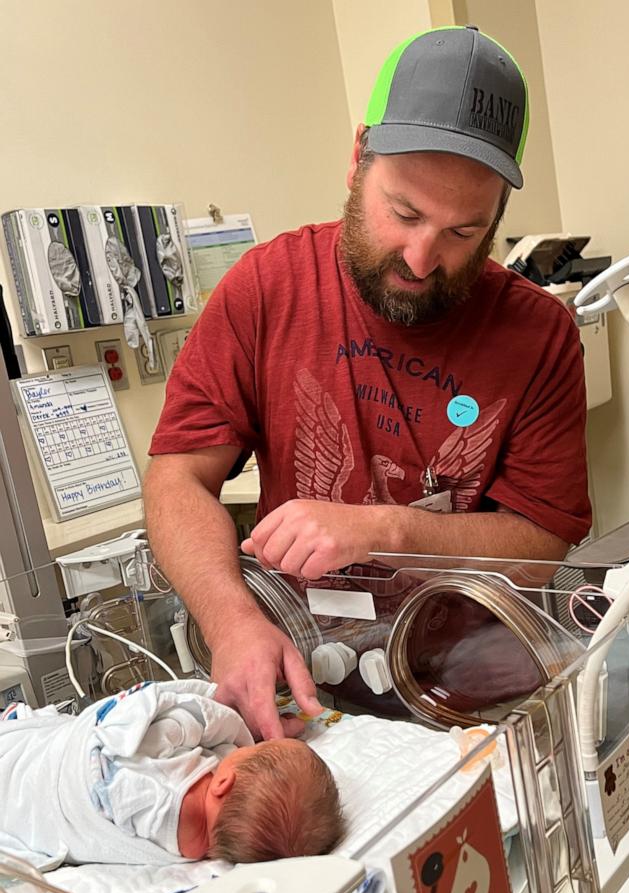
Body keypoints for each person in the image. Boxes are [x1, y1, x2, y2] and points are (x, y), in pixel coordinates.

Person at [145, 26, 592, 741]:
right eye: (405, 213)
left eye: (462, 232)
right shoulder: (269, 289)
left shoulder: (538, 335)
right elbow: (178, 478)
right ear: (359, 159)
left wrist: (387, 530)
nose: (422, 257)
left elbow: (540, 545)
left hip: (466, 693)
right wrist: (229, 621)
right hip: (300, 685)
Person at [0, 680, 343, 868]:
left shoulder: (160, 771)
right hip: (33, 820)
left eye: (252, 749)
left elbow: (185, 712)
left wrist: (237, 722)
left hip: (44, 769)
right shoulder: (191, 852)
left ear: (223, 782)